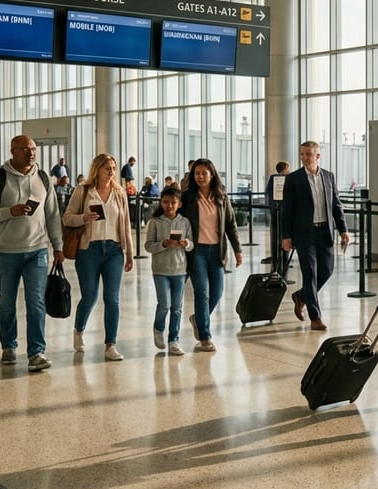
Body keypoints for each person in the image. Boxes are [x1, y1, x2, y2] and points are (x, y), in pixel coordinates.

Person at [0, 134, 63, 372]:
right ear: (12, 150)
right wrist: (9, 212)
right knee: (6, 303)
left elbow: (52, 214)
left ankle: (36, 352)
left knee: (36, 302)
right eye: (25, 149)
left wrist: (58, 245)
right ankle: (8, 345)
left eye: (33, 148)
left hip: (37, 251)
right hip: (6, 251)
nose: (30, 153)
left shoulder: (43, 178)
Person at [62, 154, 135, 361]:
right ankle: (79, 330)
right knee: (90, 297)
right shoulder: (83, 191)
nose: (111, 172)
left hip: (114, 250)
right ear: (97, 170)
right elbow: (67, 218)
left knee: (112, 298)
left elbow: (126, 225)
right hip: (89, 250)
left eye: (113, 168)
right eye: (107, 168)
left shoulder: (119, 192)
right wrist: (83, 218)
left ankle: (110, 344)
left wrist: (129, 253)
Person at [281, 141, 349, 331]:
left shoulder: (328, 176)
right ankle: (315, 317)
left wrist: (343, 229)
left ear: (318, 156)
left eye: (309, 154)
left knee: (326, 271)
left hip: (325, 231)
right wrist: (286, 236)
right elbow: (287, 210)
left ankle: (301, 296)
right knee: (309, 273)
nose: (305, 157)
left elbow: (336, 204)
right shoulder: (293, 179)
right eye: (302, 154)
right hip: (305, 233)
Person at [181, 158, 243, 352]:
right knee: (202, 292)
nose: (200, 177)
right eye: (197, 173)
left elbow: (231, 225)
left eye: (204, 173)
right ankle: (205, 336)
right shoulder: (188, 198)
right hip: (196, 251)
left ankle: (198, 319)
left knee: (217, 291)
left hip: (217, 251)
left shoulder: (221, 196)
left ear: (212, 174)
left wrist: (238, 250)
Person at [145, 187, 194, 356]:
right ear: (161, 203)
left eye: (173, 202)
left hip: (180, 270)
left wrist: (186, 243)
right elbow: (148, 246)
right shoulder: (155, 222)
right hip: (160, 270)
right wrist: (163, 244)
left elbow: (192, 244)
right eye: (165, 202)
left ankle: (174, 340)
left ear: (179, 204)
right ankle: (158, 328)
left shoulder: (185, 222)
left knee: (177, 307)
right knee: (164, 304)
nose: (169, 205)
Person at [263, 161, 290, 267]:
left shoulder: (272, 179)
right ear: (285, 169)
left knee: (275, 235)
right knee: (285, 234)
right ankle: (284, 259)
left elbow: (268, 194)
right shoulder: (287, 179)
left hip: (274, 211)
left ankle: (276, 259)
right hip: (283, 212)